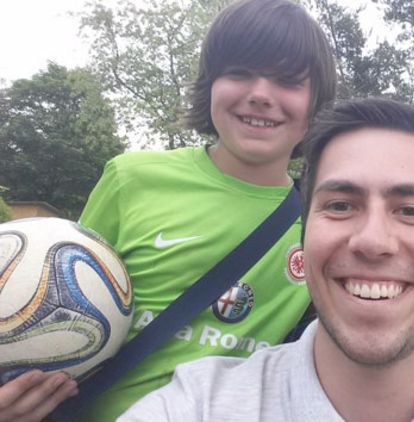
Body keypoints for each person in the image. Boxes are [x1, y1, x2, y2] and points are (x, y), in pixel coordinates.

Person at [117, 98, 414, 421]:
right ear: (304, 237)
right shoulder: (197, 405)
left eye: (410, 210)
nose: (372, 240)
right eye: (340, 205)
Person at [0, 1, 336, 421]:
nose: (260, 95)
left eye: (288, 81)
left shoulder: (325, 219)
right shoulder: (132, 179)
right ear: (210, 83)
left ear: (316, 102)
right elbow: (52, 300)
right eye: (239, 73)